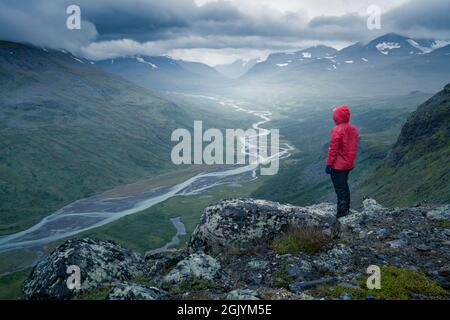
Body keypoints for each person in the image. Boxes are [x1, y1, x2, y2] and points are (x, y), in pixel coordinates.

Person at [325, 105, 359, 219]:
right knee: (344, 186)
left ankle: (342, 215)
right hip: (348, 164)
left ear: (337, 117)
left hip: (338, 166)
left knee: (340, 189)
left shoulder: (337, 130)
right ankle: (346, 209)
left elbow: (333, 149)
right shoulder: (353, 129)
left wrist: (329, 164)